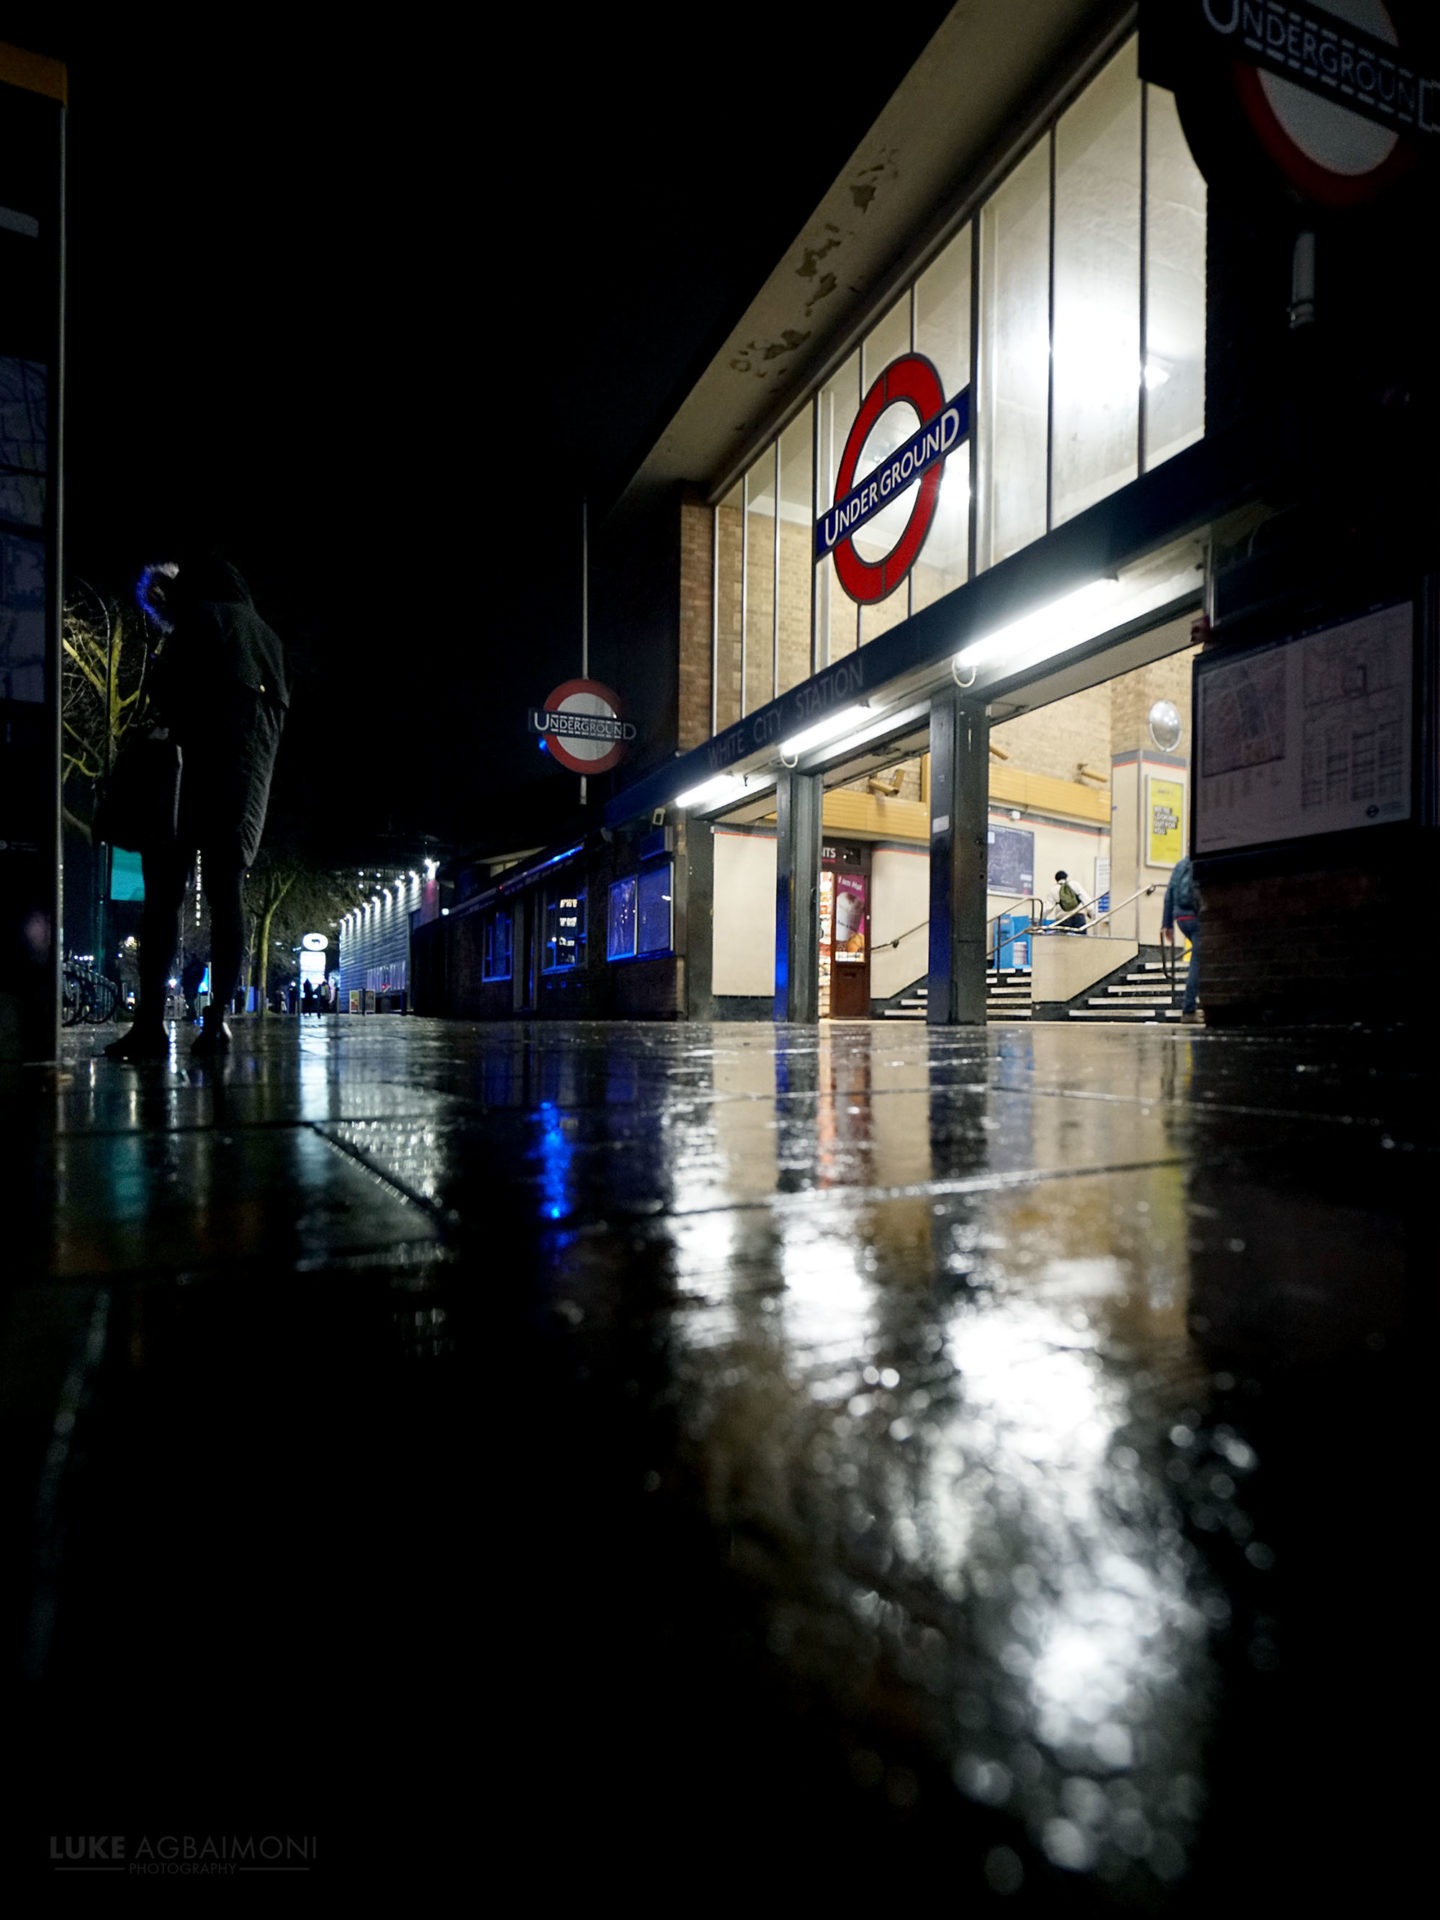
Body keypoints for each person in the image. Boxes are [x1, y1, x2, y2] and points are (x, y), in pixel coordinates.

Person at [106, 553, 288, 1060]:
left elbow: (163, 690)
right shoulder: (267, 639)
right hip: (243, 777)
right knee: (227, 892)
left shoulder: (201, 618)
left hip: (185, 774)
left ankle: (149, 1028)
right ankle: (218, 1022)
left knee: (164, 896)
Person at [1161, 854, 1201, 1023]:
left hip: (1181, 919)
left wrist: (1167, 924)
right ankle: (1189, 1009)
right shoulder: (1201, 863)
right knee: (1198, 961)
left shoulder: (1180, 865)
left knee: (1201, 958)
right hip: (1196, 916)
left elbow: (1169, 893)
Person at [1051, 869, 1089, 934]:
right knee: (1081, 941)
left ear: (1056, 879)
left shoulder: (1054, 889)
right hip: (1079, 917)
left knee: (1065, 942)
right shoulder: (1075, 884)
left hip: (1063, 919)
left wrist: (1041, 920)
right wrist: (1090, 912)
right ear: (1066, 877)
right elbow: (1086, 898)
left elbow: (1047, 907)